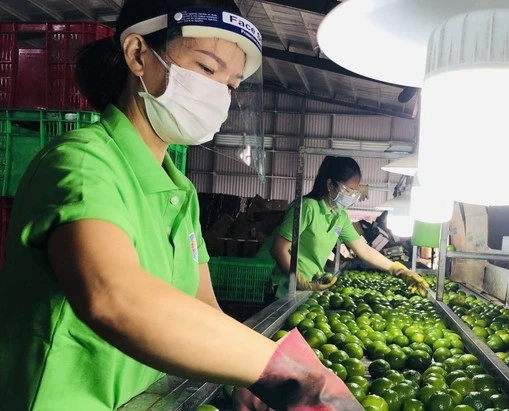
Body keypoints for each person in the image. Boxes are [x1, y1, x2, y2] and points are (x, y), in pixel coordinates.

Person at [0, 1, 360, 410]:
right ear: (138, 54)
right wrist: (290, 374)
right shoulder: (84, 162)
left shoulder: (180, 191)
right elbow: (114, 298)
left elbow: (202, 307)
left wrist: (240, 381)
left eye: (231, 84)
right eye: (207, 69)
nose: (219, 94)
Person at [259, 156, 430, 297]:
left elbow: (364, 250)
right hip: (280, 286)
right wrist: (299, 280)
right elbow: (279, 249)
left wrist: (398, 270)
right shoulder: (307, 208)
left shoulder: (339, 216)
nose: (350, 197)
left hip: (307, 286)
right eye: (347, 190)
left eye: (354, 192)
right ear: (330, 184)